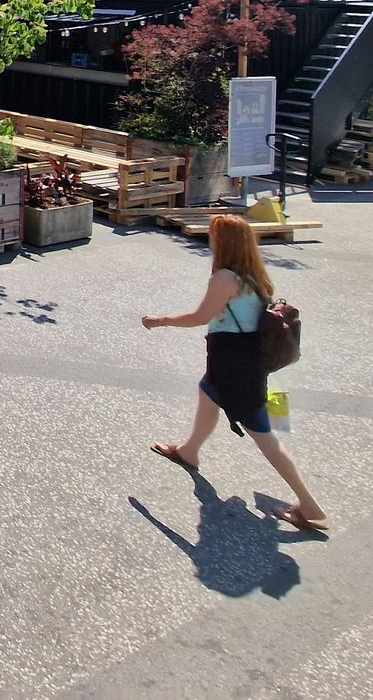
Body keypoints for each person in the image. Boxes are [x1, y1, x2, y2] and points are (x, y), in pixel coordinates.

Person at [142, 214, 328, 533]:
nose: (210, 240)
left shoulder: (225, 278)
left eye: (214, 236)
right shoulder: (254, 274)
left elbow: (201, 317)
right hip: (239, 360)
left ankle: (308, 504)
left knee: (262, 435)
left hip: (234, 365)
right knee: (207, 394)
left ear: (224, 243)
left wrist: (161, 320)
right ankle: (189, 451)